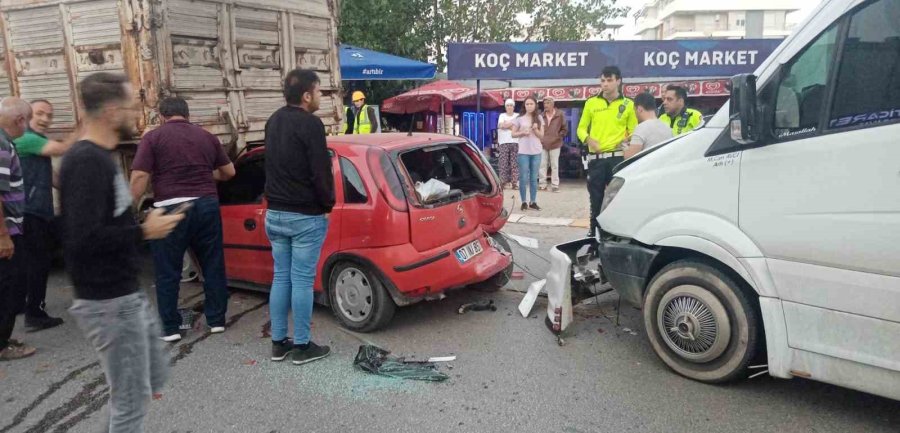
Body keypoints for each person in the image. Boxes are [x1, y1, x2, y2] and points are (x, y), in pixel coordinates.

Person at [60, 72, 182, 431]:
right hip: (107, 300)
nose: (136, 114)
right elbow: (82, 239)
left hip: (125, 293)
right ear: (112, 111)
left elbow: (105, 221)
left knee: (152, 376)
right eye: (130, 107)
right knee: (130, 399)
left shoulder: (101, 156)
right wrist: (144, 231)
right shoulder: (86, 161)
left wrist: (142, 222)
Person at [130, 96, 235, 342]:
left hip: (170, 209)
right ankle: (216, 320)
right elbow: (229, 172)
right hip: (206, 205)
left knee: (168, 270)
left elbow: (140, 177)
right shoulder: (207, 137)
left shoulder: (152, 138)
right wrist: (203, 173)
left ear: (162, 116)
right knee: (212, 264)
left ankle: (170, 328)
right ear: (187, 115)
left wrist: (129, 210)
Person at [265, 69, 334, 365]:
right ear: (306, 96)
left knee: (281, 277)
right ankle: (303, 346)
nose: (320, 97)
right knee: (302, 281)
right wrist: (328, 204)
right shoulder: (311, 124)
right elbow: (320, 171)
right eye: (318, 92)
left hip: (274, 213)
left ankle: (279, 343)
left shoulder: (273, 121)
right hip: (305, 215)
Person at [13, 99, 78, 331]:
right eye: (39, 113)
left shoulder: (34, 141)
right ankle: (35, 314)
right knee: (38, 263)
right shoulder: (27, 138)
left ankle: (19, 305)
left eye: (49, 115)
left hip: (36, 211)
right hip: (29, 211)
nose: (45, 119)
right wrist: (86, 127)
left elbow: (51, 175)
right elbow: (62, 149)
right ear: (25, 116)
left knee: (26, 262)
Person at [576, 66, 637, 238]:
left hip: (617, 158)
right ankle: (594, 230)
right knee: (595, 198)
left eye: (609, 80)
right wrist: (588, 139)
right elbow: (581, 129)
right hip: (596, 158)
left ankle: (615, 232)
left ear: (618, 81)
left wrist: (626, 140)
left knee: (616, 198)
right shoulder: (591, 103)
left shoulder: (628, 104)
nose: (605, 84)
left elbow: (634, 130)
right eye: (602, 80)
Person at [0, 97, 35, 361]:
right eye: (29, 121)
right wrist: (3, 236)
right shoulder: (2, 144)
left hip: (9, 228)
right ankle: (2, 345)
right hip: (6, 231)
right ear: (20, 120)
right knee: (9, 288)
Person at [512, 96, 544, 211]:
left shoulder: (539, 118)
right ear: (524, 106)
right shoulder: (519, 118)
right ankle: (524, 201)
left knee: (534, 178)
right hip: (523, 152)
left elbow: (542, 136)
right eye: (527, 104)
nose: (529, 106)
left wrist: (535, 129)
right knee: (523, 177)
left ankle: (533, 201)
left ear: (535, 105)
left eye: (531, 104)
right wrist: (522, 133)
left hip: (536, 151)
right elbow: (513, 134)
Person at [624, 93, 673, 159]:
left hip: (648, 164)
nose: (635, 114)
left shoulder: (641, 128)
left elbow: (630, 157)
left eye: (634, 110)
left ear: (639, 109)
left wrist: (624, 145)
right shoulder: (667, 127)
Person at [539, 96, 568, 193]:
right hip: (543, 143)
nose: (545, 105)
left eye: (548, 103)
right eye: (544, 103)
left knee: (554, 165)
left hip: (555, 143)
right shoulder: (541, 115)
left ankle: (555, 185)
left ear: (552, 104)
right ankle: (542, 185)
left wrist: (558, 136)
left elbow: (564, 128)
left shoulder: (560, 114)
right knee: (542, 165)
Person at [496, 99, 519, 190]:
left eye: (511, 105)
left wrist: (507, 124)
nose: (509, 107)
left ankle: (514, 183)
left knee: (515, 163)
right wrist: (512, 124)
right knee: (503, 163)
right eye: (507, 105)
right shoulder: (502, 115)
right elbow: (501, 126)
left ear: (513, 107)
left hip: (515, 141)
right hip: (503, 142)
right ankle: (503, 182)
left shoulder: (518, 115)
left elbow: (518, 128)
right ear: (505, 107)